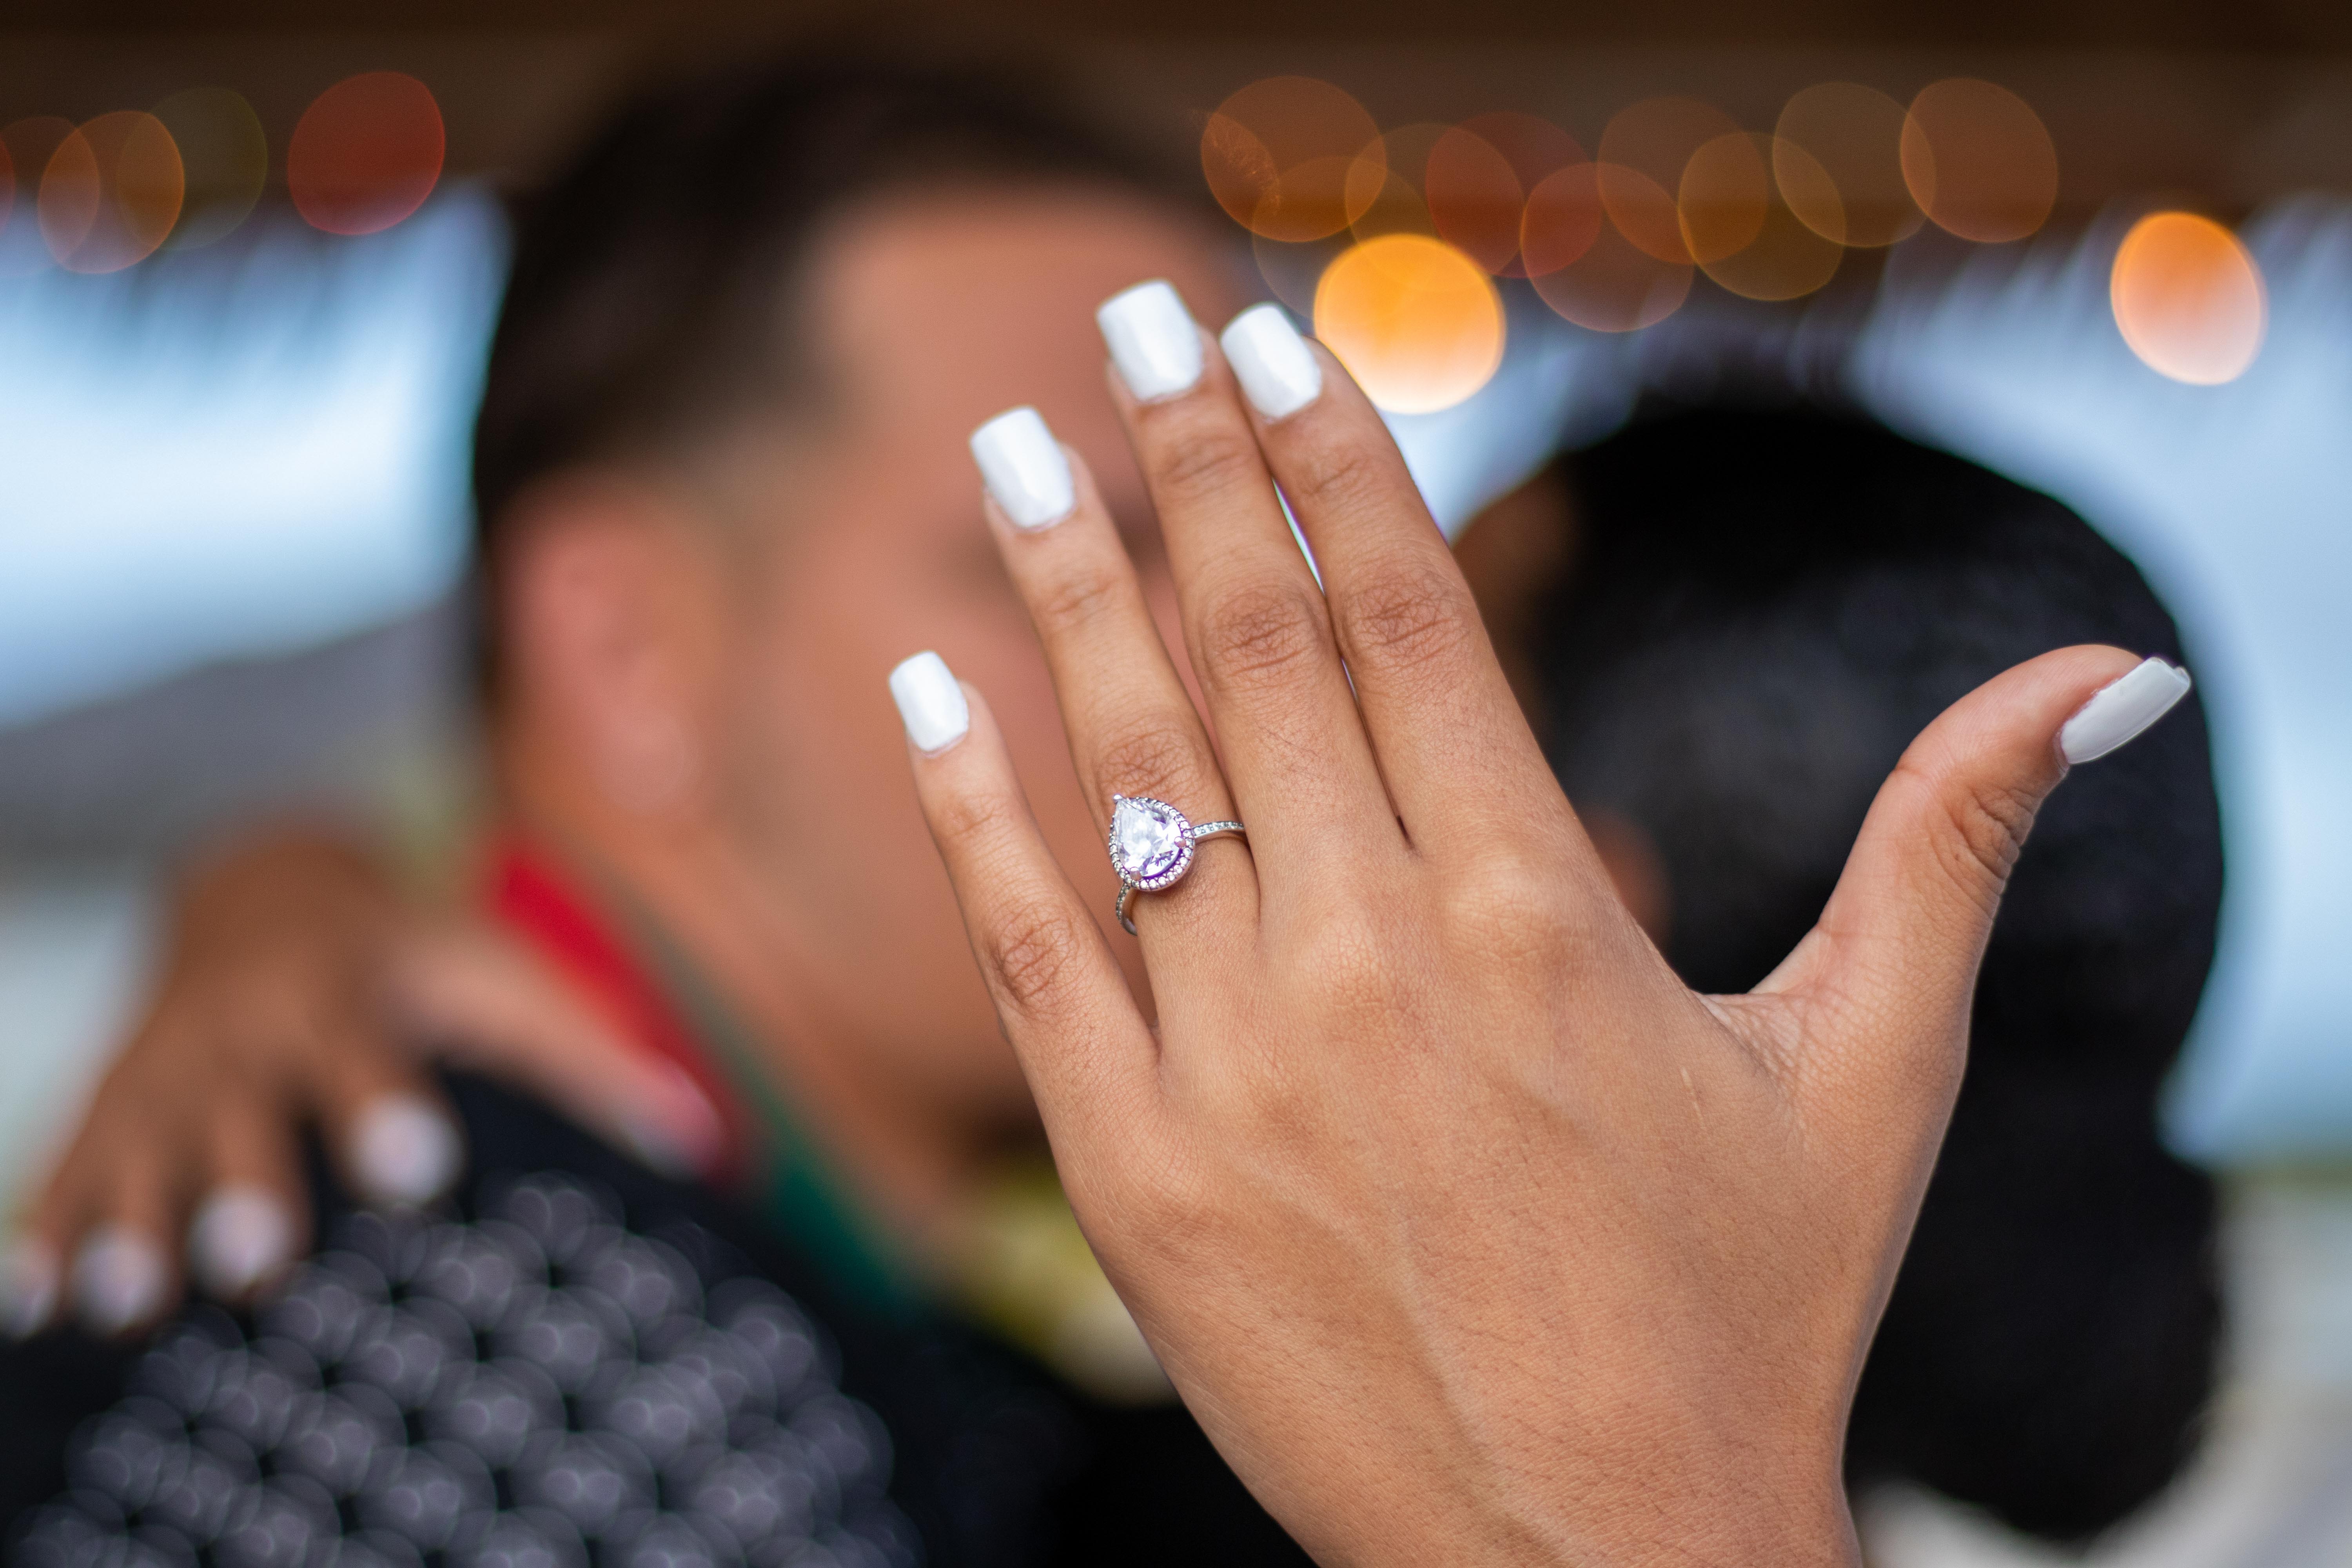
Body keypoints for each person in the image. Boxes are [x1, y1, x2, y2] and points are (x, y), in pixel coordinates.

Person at [0, 54, 2199, 1566]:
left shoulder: (794, 1331)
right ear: (632, 656)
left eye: (1255, 542)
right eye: (1086, 541)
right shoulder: (528, 1382)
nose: (1264, 660)